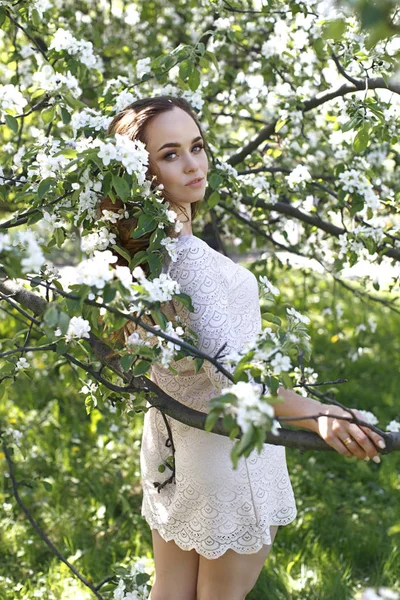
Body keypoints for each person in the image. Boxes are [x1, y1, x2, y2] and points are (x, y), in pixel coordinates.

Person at [100, 96, 386, 600]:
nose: (193, 164)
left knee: (169, 593)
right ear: (138, 172)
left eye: (197, 146)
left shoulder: (136, 260)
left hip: (172, 446)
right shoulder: (186, 263)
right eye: (170, 154)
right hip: (226, 457)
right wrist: (319, 412)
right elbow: (234, 378)